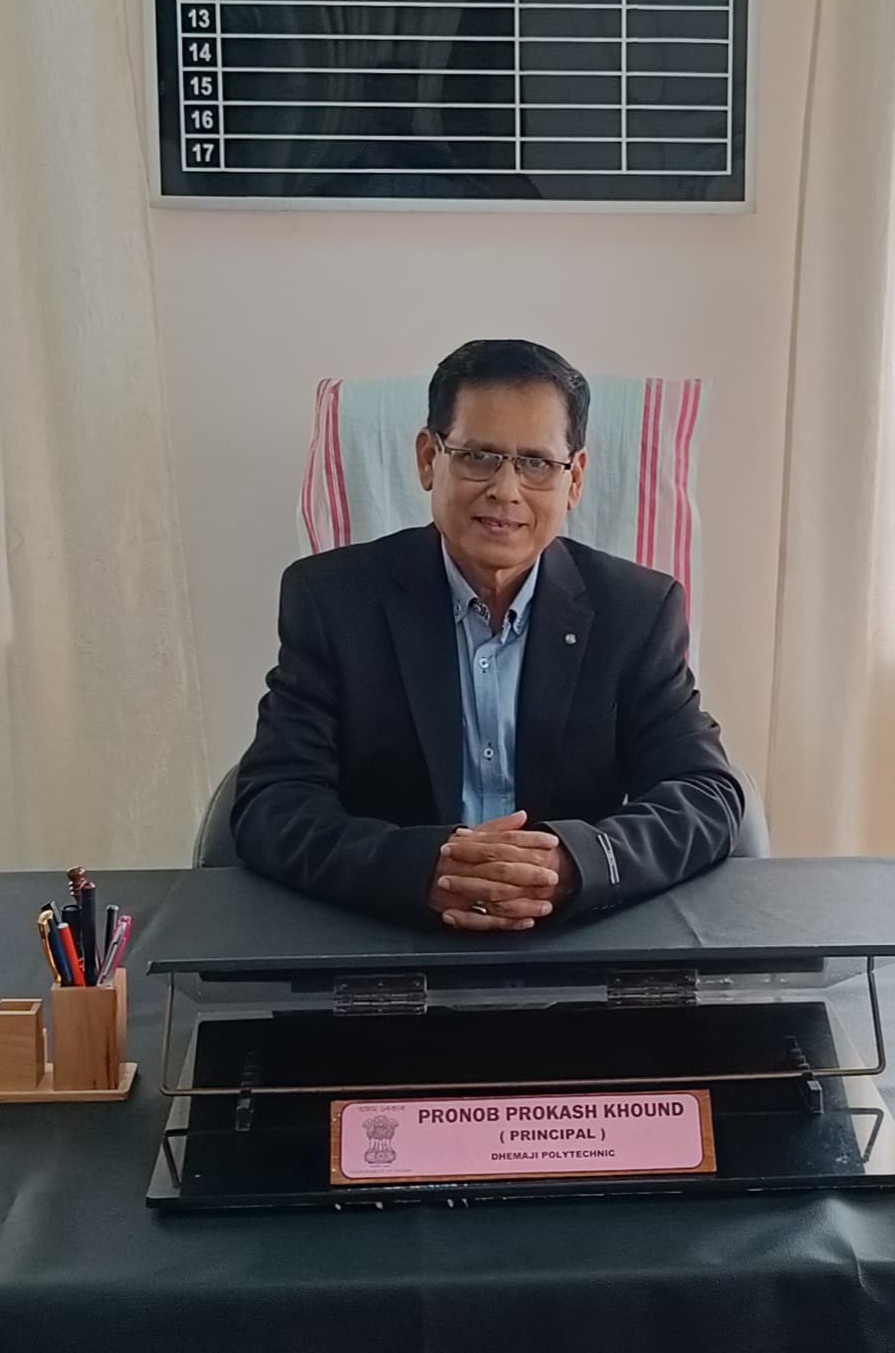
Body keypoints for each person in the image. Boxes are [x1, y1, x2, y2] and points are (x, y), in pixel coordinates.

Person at [232, 339, 745, 930]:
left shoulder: (636, 611)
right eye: (478, 456)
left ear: (575, 479)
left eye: (536, 463)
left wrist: (571, 864)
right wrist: (420, 870)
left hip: (574, 936)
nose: (506, 490)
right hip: (388, 933)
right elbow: (273, 802)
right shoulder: (332, 600)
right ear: (429, 459)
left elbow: (705, 793)